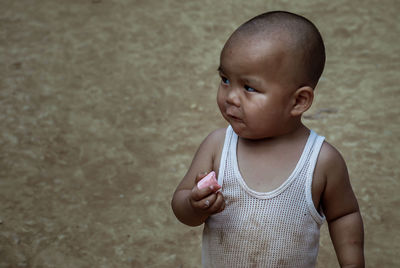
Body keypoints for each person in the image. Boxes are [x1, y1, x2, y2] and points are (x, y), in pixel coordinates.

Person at [171, 11, 364, 268]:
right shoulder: (218, 147)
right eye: (225, 80)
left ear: (298, 101)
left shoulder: (321, 161)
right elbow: (181, 203)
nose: (231, 97)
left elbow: (344, 215)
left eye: (249, 88)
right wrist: (195, 205)